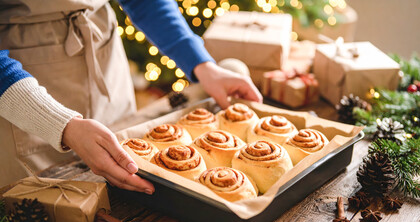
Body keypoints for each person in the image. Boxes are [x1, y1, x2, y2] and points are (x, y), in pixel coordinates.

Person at [0, 0, 262, 192]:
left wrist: (201, 64)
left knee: (125, 171)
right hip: (21, 91)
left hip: (103, 51)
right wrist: (61, 125)